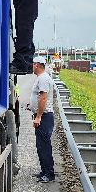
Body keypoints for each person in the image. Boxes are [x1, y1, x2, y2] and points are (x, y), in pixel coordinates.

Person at [29, 55, 55, 183]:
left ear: (37, 65)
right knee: (40, 146)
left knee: (44, 146)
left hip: (44, 117)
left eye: (33, 64)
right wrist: (32, 107)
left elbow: (43, 98)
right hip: (42, 116)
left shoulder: (43, 79)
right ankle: (44, 171)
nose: (32, 66)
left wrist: (38, 116)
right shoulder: (41, 78)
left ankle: (49, 174)